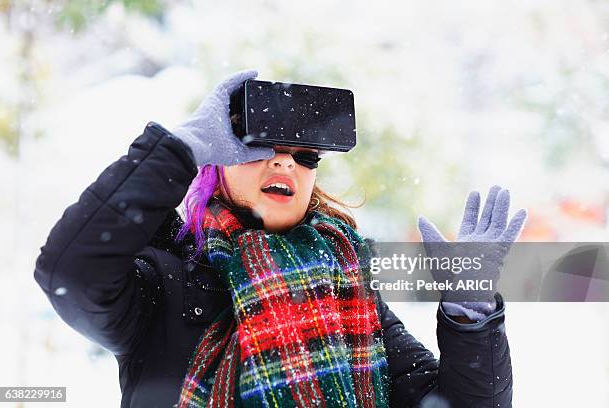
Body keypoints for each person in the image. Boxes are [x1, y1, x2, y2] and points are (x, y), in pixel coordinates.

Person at [34, 70, 524, 408]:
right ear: (215, 167)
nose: (285, 162)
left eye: (305, 155)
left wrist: (470, 316)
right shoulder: (164, 283)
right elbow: (70, 272)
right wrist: (177, 149)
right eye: (259, 147)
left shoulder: (348, 292)